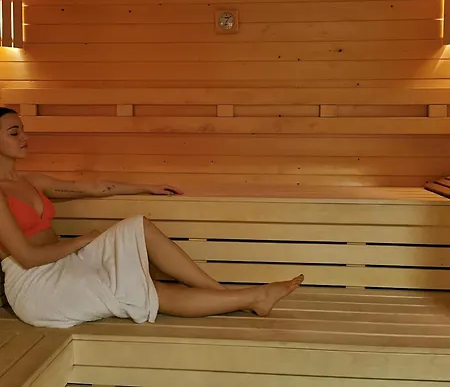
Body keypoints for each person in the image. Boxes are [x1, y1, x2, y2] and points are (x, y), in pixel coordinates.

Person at [0, 107, 304, 328]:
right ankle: (249, 297)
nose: (25, 137)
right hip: (37, 286)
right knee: (145, 289)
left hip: (67, 265)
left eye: (23, 130)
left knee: (138, 226)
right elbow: (26, 257)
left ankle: (227, 294)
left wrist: (145, 186)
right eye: (15, 133)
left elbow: (92, 186)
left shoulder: (31, 182)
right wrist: (81, 241)